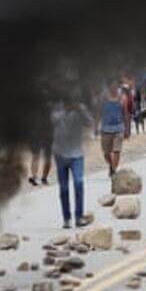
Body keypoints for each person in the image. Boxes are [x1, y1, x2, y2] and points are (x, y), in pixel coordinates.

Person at [52, 98, 94, 228]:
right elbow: (53, 121)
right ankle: (66, 218)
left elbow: (89, 122)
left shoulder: (80, 107)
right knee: (64, 188)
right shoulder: (56, 107)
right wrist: (66, 110)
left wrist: (80, 110)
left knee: (78, 182)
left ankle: (79, 217)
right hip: (60, 153)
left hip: (77, 153)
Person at [97, 83, 127, 175]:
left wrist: (127, 129)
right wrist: (96, 126)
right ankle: (111, 165)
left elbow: (125, 113)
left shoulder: (122, 98)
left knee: (117, 150)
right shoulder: (102, 99)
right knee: (106, 153)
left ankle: (113, 170)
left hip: (119, 128)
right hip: (105, 129)